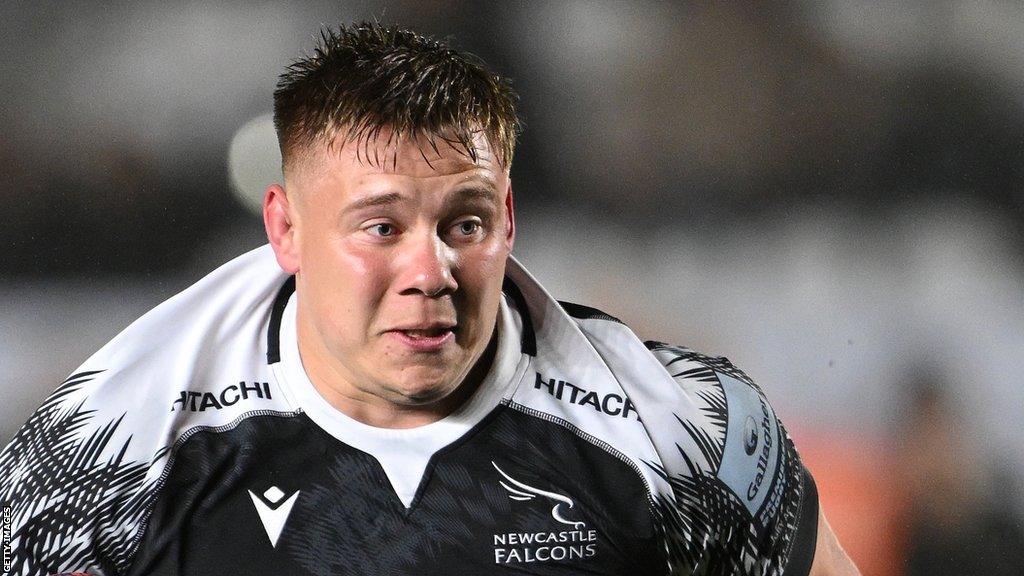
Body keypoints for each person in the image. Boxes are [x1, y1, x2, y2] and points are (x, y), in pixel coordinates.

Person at [0, 22, 858, 576]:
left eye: (466, 223)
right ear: (286, 230)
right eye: (380, 229)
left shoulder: (676, 429)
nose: (431, 271)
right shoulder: (118, 446)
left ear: (511, 219)